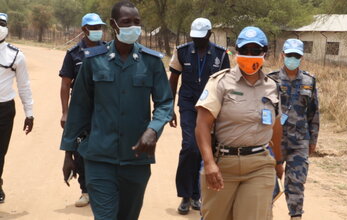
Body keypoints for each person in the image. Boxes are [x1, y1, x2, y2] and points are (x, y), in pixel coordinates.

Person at [60, 1, 173, 219]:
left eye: (137, 22)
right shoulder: (94, 61)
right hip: (99, 158)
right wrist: (68, 153)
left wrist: (153, 130)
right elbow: (79, 109)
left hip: (136, 159)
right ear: (113, 24)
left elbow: (165, 102)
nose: (133, 26)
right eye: (126, 22)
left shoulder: (151, 62)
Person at [195, 26, 284, 220]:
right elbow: (202, 125)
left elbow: (277, 127)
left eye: (255, 51)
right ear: (237, 51)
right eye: (244, 51)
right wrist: (209, 164)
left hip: (259, 165)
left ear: (264, 53)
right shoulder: (220, 83)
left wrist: (278, 161)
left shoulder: (272, 87)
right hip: (223, 164)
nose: (249, 55)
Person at [168, 17, 230, 215]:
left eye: (201, 37)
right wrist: (169, 107)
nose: (197, 41)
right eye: (194, 37)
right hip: (188, 104)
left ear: (209, 35)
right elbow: (173, 79)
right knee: (190, 147)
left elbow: (227, 84)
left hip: (211, 107)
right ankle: (186, 195)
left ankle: (197, 194)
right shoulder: (182, 51)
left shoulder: (221, 55)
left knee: (207, 150)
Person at [268, 39, 319, 220]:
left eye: (296, 56)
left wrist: (313, 140)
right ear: (282, 55)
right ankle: (266, 215)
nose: (292, 58)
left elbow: (313, 113)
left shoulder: (309, 81)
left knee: (296, 183)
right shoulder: (270, 79)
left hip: (299, 142)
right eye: (289, 55)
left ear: (301, 57)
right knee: (268, 184)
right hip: (274, 142)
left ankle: (295, 216)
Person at [59, 12, 106, 208]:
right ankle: (85, 191)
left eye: (99, 28)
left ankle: (104, 189)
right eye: (93, 28)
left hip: (104, 109)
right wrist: (65, 112)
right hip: (81, 111)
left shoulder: (108, 51)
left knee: (104, 149)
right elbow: (65, 85)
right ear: (84, 30)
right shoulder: (73, 54)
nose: (97, 31)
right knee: (81, 150)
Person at [0, 13, 34, 203]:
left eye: (1, 23)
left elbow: (24, 86)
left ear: (7, 28)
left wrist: (29, 113)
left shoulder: (16, 55)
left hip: (4, 110)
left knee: (0, 152)